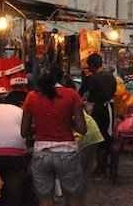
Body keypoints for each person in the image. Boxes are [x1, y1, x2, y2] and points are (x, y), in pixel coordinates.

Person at [21, 72, 87, 206]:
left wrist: (39, 127)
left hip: (41, 153)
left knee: (45, 199)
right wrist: (68, 122)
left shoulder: (31, 97)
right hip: (67, 152)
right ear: (60, 79)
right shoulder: (72, 94)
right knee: (73, 198)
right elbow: (82, 129)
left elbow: (24, 132)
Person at [79, 53, 117, 177]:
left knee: (98, 137)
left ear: (92, 66)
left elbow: (86, 94)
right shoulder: (111, 77)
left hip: (98, 110)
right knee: (107, 136)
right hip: (110, 108)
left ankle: (99, 168)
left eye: (89, 66)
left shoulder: (93, 78)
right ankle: (106, 166)